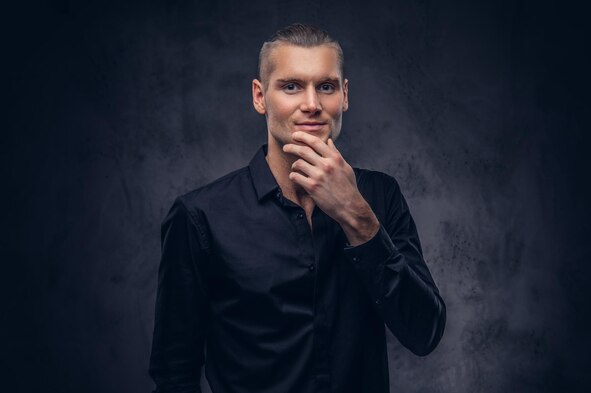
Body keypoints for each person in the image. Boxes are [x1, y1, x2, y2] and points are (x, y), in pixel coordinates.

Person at [149, 23, 446, 393]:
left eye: (326, 86)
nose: (312, 104)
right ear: (260, 97)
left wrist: (357, 216)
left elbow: (425, 332)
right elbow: (174, 374)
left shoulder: (380, 196)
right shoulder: (200, 216)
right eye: (291, 86)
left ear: (345, 95)